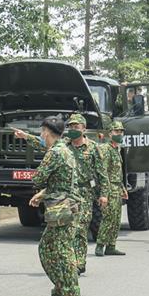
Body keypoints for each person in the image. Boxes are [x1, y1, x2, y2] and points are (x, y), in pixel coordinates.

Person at [27, 116, 81, 296]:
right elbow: (60, 182)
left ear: (47, 132)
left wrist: (39, 188)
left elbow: (39, 178)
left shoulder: (55, 153)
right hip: (64, 205)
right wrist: (42, 195)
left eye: (42, 131)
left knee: (61, 250)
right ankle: (61, 287)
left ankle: (71, 292)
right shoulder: (65, 150)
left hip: (63, 208)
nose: (41, 135)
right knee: (49, 248)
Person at [63, 113, 109, 274]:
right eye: (70, 127)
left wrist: (104, 194)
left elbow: (102, 173)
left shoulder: (93, 147)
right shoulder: (64, 146)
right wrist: (26, 136)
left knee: (81, 229)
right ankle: (70, 260)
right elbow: (45, 144)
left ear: (83, 129)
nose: (73, 129)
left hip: (85, 193)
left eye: (76, 127)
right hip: (66, 193)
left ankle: (79, 262)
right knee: (68, 229)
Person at [95, 121, 128, 256]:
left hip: (116, 188)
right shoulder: (106, 149)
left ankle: (111, 245)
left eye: (121, 132)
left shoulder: (117, 149)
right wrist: (104, 193)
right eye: (116, 131)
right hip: (108, 188)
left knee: (116, 219)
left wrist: (122, 188)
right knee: (108, 218)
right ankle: (100, 245)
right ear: (110, 133)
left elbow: (117, 173)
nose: (119, 134)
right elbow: (103, 172)